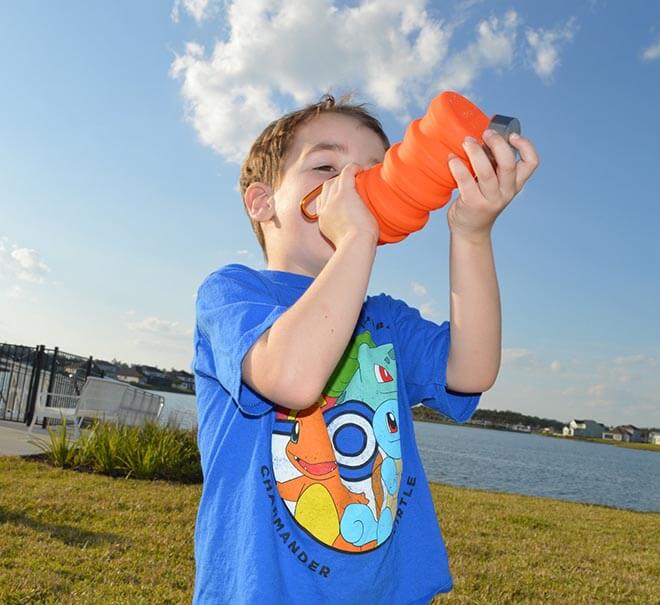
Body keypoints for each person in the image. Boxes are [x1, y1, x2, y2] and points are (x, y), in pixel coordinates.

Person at [191, 92, 539, 604]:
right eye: (327, 166)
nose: (352, 184)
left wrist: (471, 233)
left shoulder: (384, 319)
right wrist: (355, 239)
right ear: (262, 201)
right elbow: (291, 377)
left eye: (373, 171)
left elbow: (473, 369)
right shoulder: (232, 293)